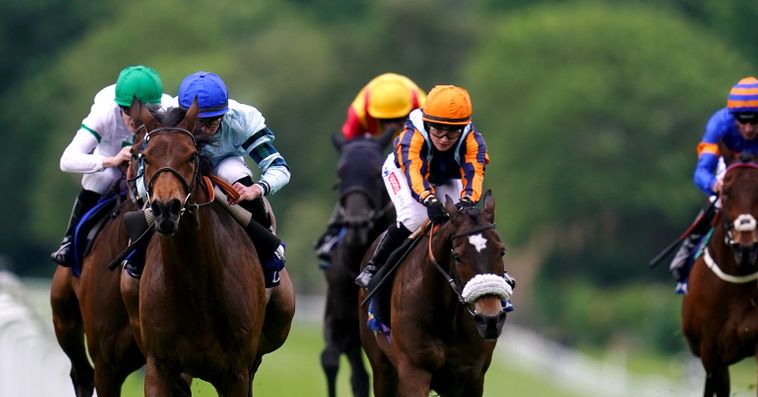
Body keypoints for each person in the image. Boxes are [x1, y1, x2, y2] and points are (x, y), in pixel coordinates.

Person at [123, 71, 289, 287]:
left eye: (212, 122)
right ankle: (137, 254)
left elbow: (279, 167)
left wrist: (257, 189)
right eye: (198, 122)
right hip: (183, 166)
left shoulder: (243, 119)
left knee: (238, 175)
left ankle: (267, 253)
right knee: (158, 191)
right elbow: (145, 172)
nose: (204, 129)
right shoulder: (166, 121)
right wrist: (153, 191)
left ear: (224, 113)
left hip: (224, 162)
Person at [354, 84, 488, 289]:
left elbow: (475, 174)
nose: (444, 138)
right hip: (403, 171)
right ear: (427, 123)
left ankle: (490, 275)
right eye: (438, 129)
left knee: (467, 220)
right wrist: (429, 200)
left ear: (463, 127)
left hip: (445, 176)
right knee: (413, 218)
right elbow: (414, 172)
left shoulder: (473, 140)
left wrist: (468, 200)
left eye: (452, 131)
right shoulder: (413, 135)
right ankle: (374, 266)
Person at [669, 76, 758, 293]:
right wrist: (714, 186)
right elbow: (702, 171)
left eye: (755, 120)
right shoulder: (719, 124)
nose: (748, 128)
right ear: (733, 117)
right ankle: (684, 264)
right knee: (713, 209)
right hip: (729, 171)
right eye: (742, 120)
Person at [52, 65, 174, 267]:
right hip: (110, 159)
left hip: (147, 167)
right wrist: (112, 161)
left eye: (145, 114)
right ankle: (69, 239)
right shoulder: (104, 114)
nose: (135, 120)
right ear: (120, 107)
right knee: (103, 178)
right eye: (129, 112)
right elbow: (66, 160)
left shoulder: (167, 109)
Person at [314, 73, 427, 267]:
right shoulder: (358, 113)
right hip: (371, 146)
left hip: (415, 146)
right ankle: (333, 234)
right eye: (386, 121)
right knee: (357, 174)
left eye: (399, 120)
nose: (393, 127)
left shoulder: (424, 106)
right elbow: (352, 151)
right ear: (375, 116)